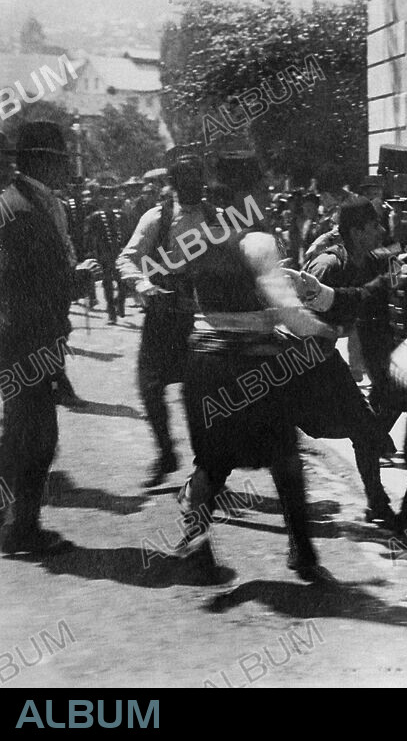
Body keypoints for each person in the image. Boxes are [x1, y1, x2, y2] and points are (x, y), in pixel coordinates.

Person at [291, 173, 407, 606]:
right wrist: (320, 293)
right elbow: (366, 296)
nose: (392, 217)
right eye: (392, 209)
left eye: (401, 211)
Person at [173, 146, 337, 581]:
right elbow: (286, 310)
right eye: (262, 190)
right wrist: (322, 330)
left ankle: (194, 538)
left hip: (203, 361)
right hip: (251, 365)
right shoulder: (259, 241)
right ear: (251, 193)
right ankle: (302, 552)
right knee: (285, 457)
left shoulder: (196, 236)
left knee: (212, 460)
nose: (267, 198)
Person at [0, 122, 101, 554]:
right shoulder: (19, 208)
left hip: (31, 338)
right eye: (60, 162)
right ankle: (22, 529)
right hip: (25, 339)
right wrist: (74, 282)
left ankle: (16, 524)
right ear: (41, 162)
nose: (65, 171)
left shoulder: (32, 201)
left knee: (22, 433)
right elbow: (25, 285)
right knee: (38, 436)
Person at [117, 147, 219, 487]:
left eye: (199, 182)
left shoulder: (215, 216)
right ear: (174, 184)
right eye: (187, 182)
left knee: (201, 395)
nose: (195, 189)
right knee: (149, 386)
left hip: (202, 318)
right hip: (162, 315)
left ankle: (208, 466)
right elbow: (126, 259)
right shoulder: (156, 219)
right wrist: (144, 285)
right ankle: (166, 453)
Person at [294, 195, 397, 527]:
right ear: (356, 232)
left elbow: (393, 261)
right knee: (255, 439)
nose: (381, 230)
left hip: (325, 357)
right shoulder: (328, 265)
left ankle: (377, 505)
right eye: (374, 226)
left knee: (364, 429)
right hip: (295, 361)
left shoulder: (365, 260)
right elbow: (296, 317)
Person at [84, 186, 130, 324]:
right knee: (107, 283)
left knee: (123, 283)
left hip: (120, 254)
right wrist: (90, 251)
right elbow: (88, 236)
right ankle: (111, 311)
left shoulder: (122, 215)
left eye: (111, 197)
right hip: (104, 254)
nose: (108, 200)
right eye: (105, 197)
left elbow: (128, 233)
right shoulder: (95, 217)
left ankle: (120, 303)